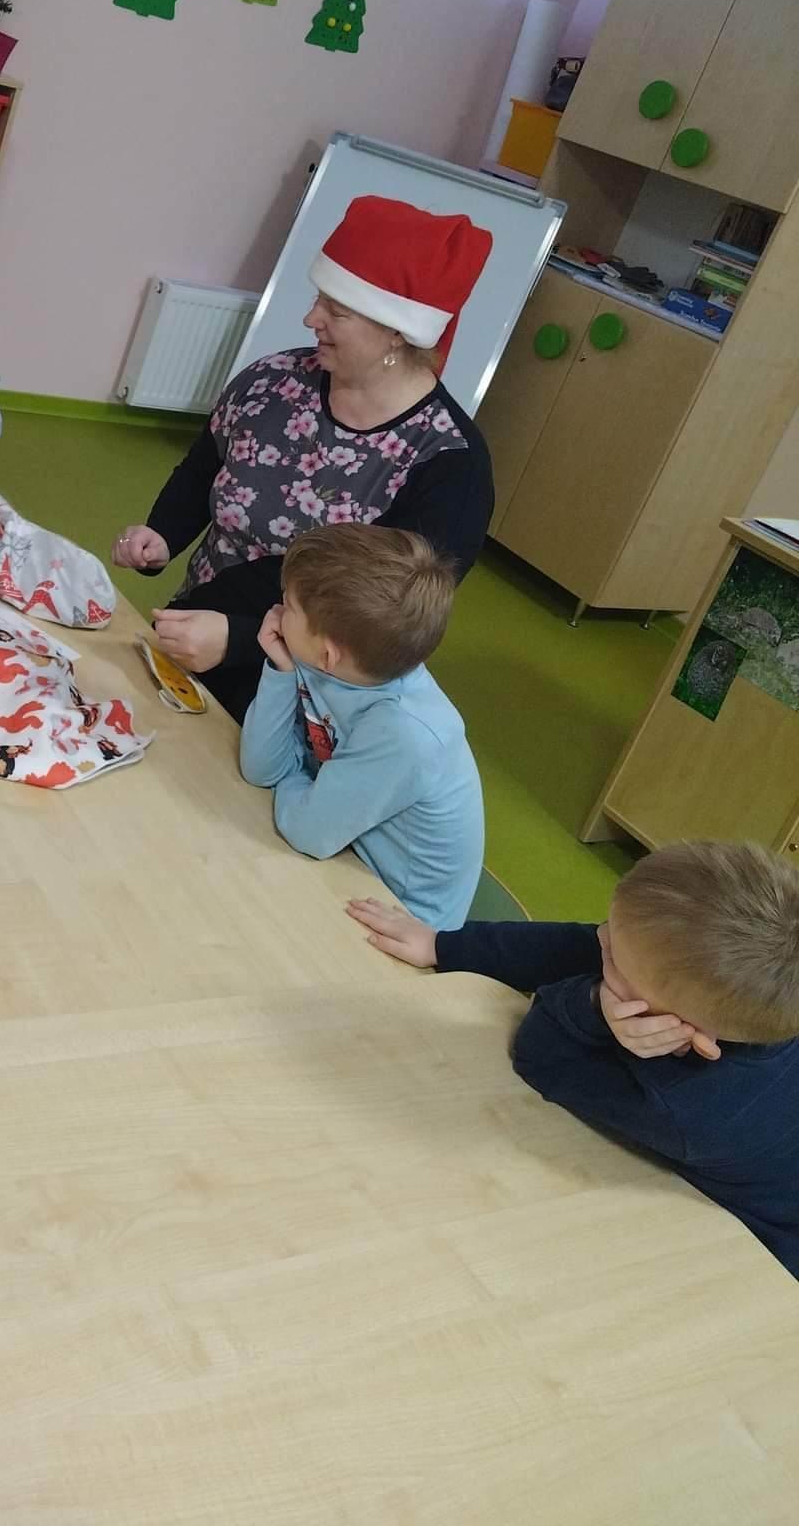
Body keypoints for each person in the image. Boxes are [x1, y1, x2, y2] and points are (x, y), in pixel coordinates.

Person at [112, 195, 495, 721]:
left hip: (298, 699)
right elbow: (203, 470)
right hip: (195, 632)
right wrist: (163, 535)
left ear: (398, 332)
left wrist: (241, 640)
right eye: (320, 299)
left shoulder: (450, 466)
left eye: (337, 311)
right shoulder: (273, 382)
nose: (311, 318)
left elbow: (386, 623)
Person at [346, 842, 799, 1278]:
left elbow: (541, 1057)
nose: (600, 940)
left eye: (613, 962)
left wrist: (591, 1004)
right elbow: (578, 946)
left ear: (688, 1030)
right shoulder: (717, 992)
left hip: (772, 1247)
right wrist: (446, 946)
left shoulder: (691, 1109)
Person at [241, 524, 482, 929]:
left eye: (288, 605)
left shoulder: (404, 732)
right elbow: (260, 769)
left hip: (399, 918)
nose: (278, 610)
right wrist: (281, 670)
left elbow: (307, 832)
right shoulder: (340, 664)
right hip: (345, 857)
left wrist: (303, 786)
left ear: (328, 654)